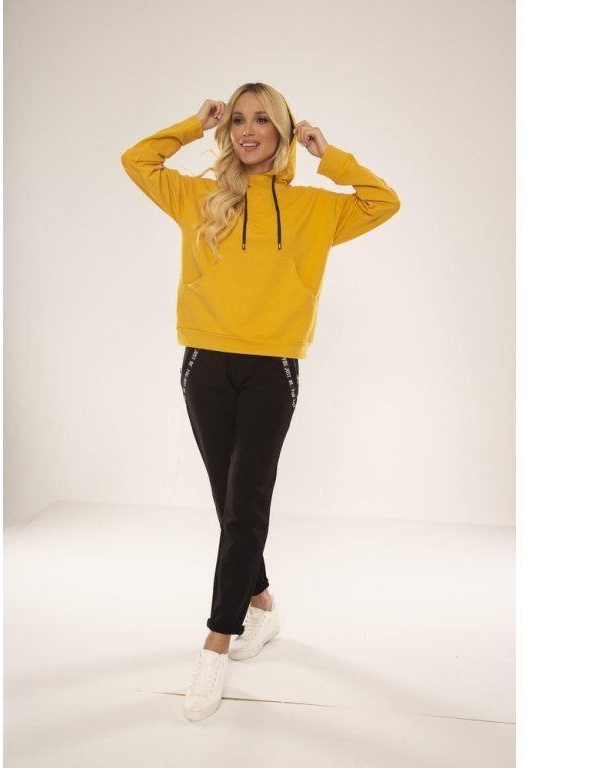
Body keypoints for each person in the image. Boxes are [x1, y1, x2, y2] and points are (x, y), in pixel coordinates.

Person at [120, 82, 401, 721]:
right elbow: (136, 161)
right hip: (204, 362)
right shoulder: (199, 197)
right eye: (239, 120)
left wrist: (329, 155)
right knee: (231, 503)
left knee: (246, 503)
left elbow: (384, 201)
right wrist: (192, 125)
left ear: (284, 131)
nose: (248, 130)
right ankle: (262, 605)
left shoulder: (313, 207)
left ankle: (216, 643)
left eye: (263, 120)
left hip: (273, 367)